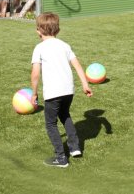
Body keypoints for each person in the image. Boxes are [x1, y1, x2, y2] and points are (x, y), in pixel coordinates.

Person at [30, 12, 93, 168]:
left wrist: (34, 93)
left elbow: (35, 73)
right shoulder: (65, 45)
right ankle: (75, 148)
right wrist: (85, 84)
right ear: (57, 30)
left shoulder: (39, 48)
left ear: (38, 30)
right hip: (68, 91)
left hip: (53, 93)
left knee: (51, 124)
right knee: (65, 115)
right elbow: (77, 66)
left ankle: (61, 158)